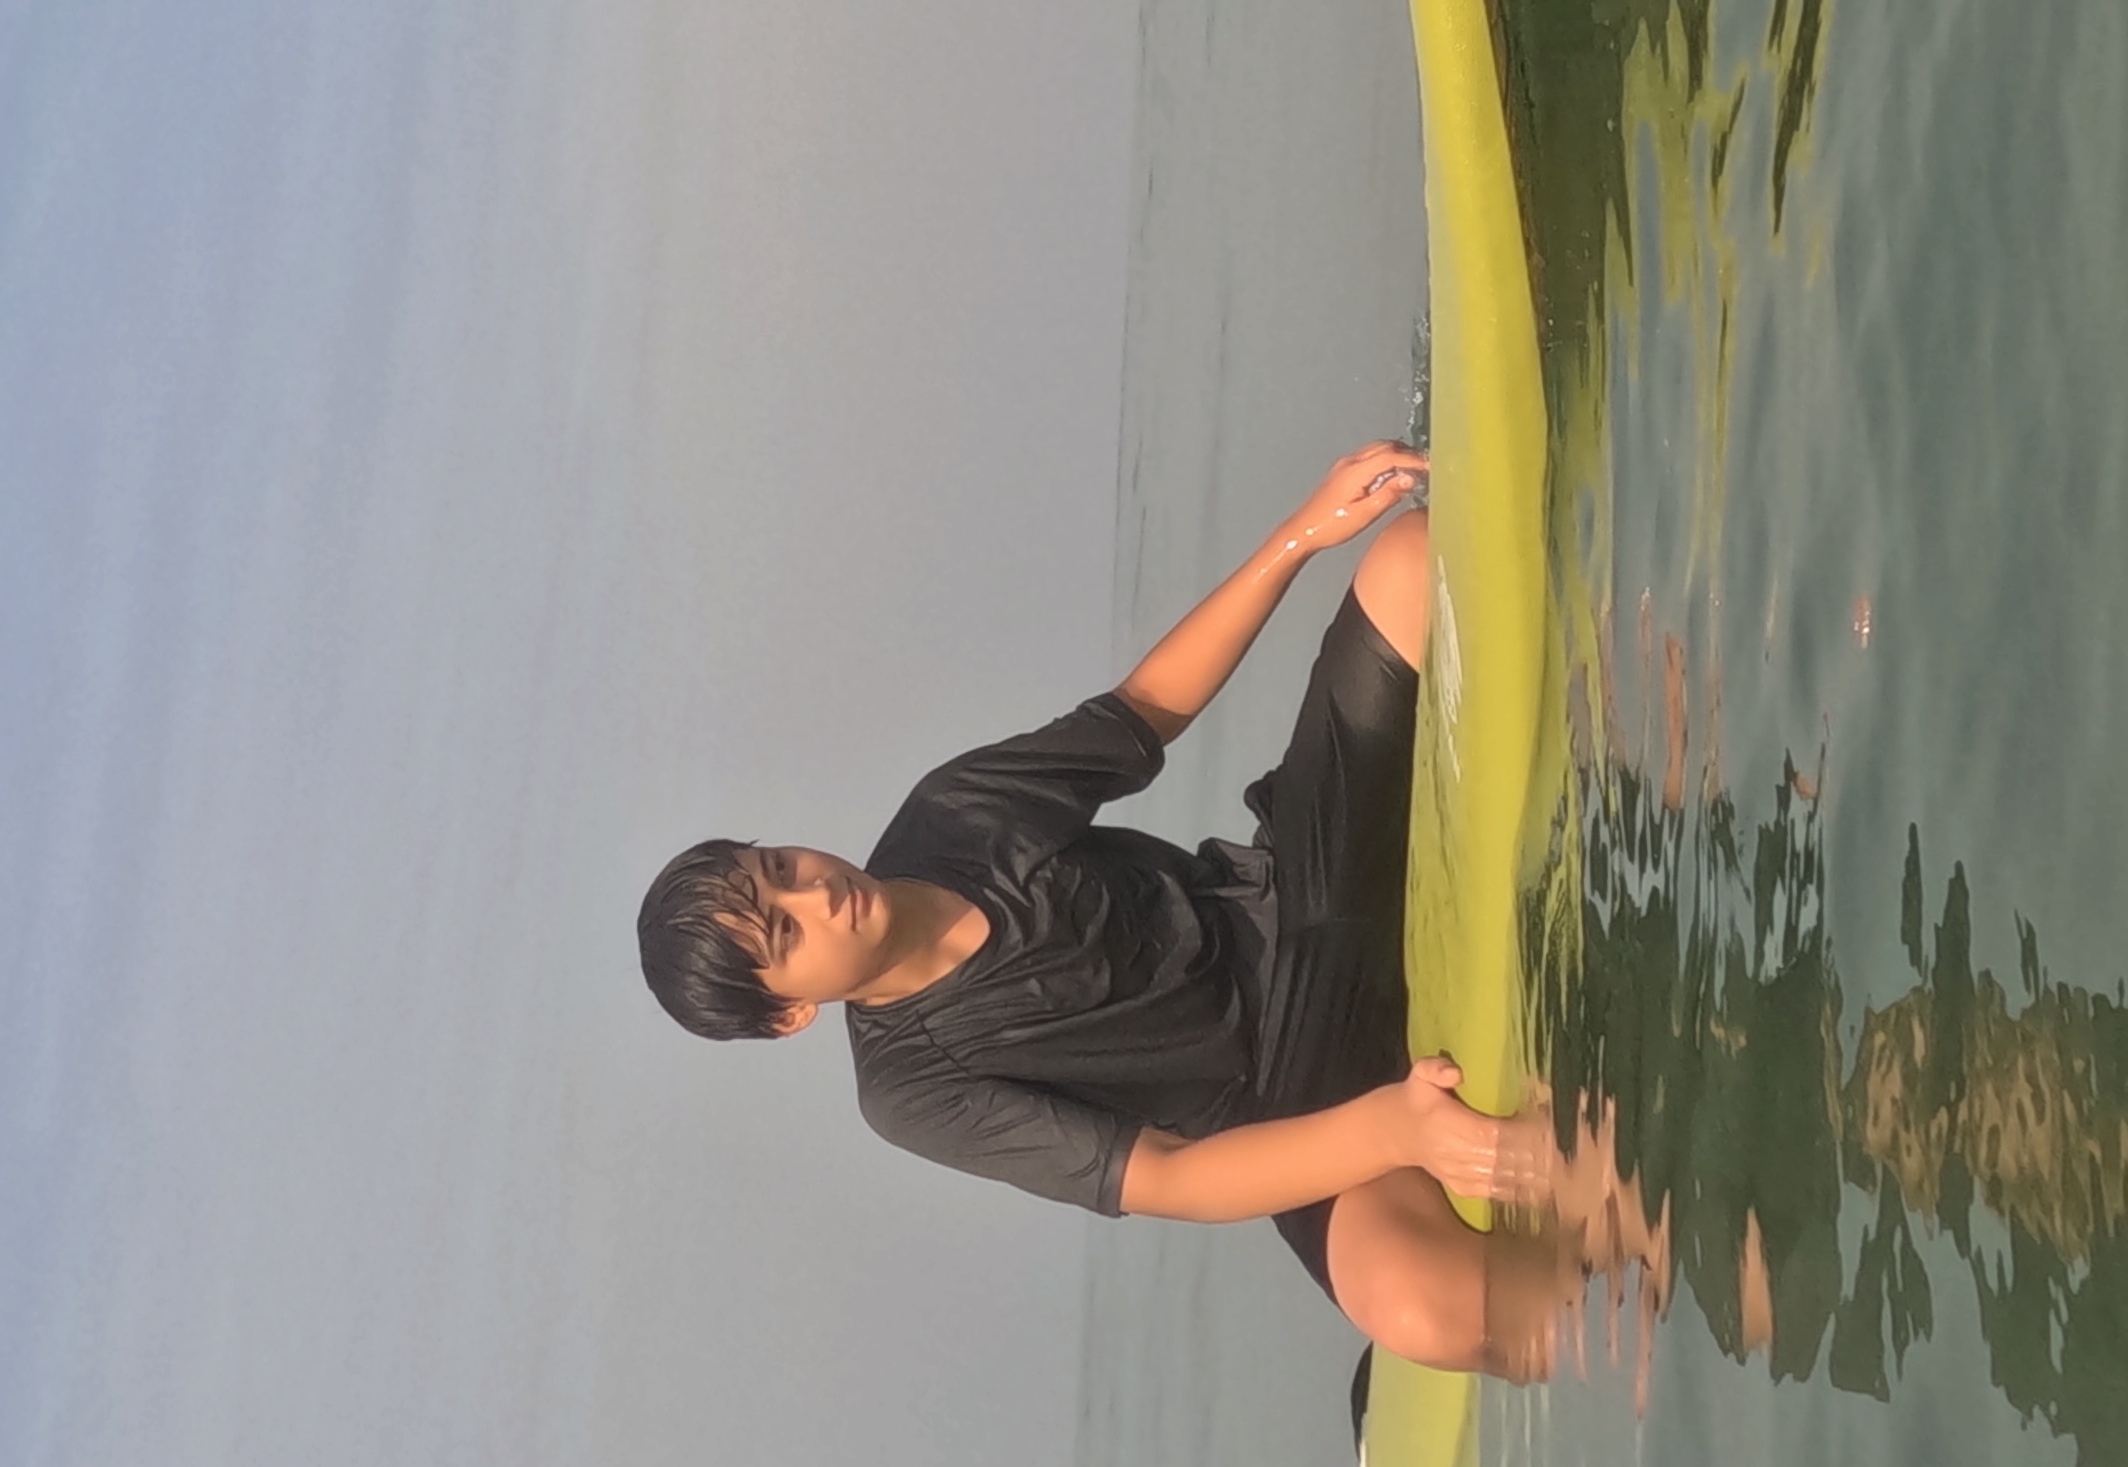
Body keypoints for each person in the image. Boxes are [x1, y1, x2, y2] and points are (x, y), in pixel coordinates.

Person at [633, 443, 1652, 1377]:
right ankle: (1664, 1270)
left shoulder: (951, 814)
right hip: (1288, 1104)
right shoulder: (913, 1092)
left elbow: (1139, 714)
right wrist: (1396, 1132)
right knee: (1428, 1313)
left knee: (1406, 560)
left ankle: (1650, 745)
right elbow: (1175, 1179)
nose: (817, 892)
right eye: (783, 930)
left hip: (1298, 890)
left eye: (780, 867)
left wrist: (1300, 533)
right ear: (786, 1013)